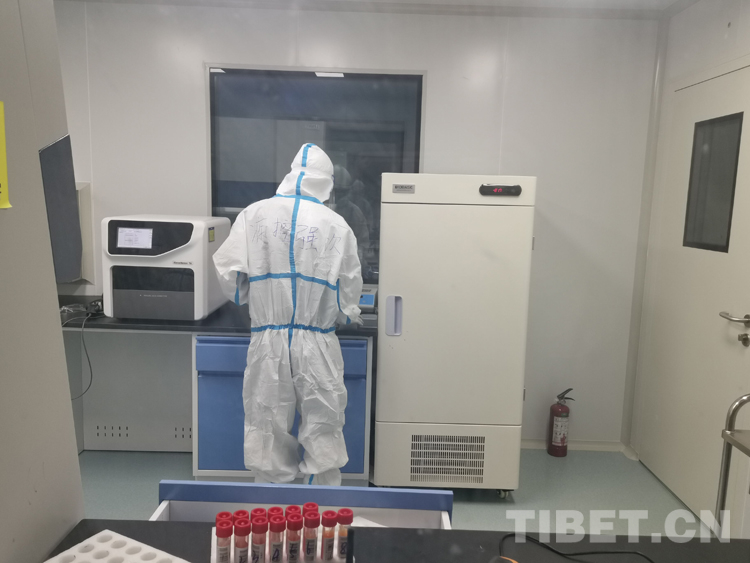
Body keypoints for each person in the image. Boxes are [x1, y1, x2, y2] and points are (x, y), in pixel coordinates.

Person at [213, 144, 363, 486]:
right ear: (326, 184)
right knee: (323, 424)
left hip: (269, 339)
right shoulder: (336, 225)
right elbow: (349, 289)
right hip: (318, 341)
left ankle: (273, 509)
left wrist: (250, 294)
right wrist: (344, 311)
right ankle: (320, 509)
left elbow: (228, 273)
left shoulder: (253, 215)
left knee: (266, 425)